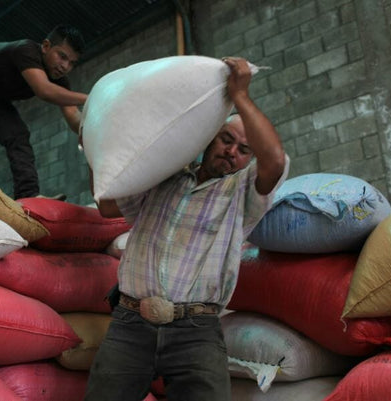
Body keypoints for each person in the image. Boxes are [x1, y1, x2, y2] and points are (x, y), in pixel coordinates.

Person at [83, 57, 290, 401]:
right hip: (131, 323)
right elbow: (107, 205)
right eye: (226, 139)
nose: (231, 152)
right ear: (209, 137)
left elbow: (275, 161)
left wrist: (239, 95)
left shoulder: (242, 193)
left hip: (196, 330)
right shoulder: (163, 177)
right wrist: (95, 141)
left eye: (243, 149)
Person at [0, 24, 87, 200]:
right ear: (46, 46)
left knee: (18, 136)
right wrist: (91, 97)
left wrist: (88, 131)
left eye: (71, 63)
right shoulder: (26, 50)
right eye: (62, 56)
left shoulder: (60, 81)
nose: (65, 66)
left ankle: (28, 195)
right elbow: (44, 90)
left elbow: (73, 115)